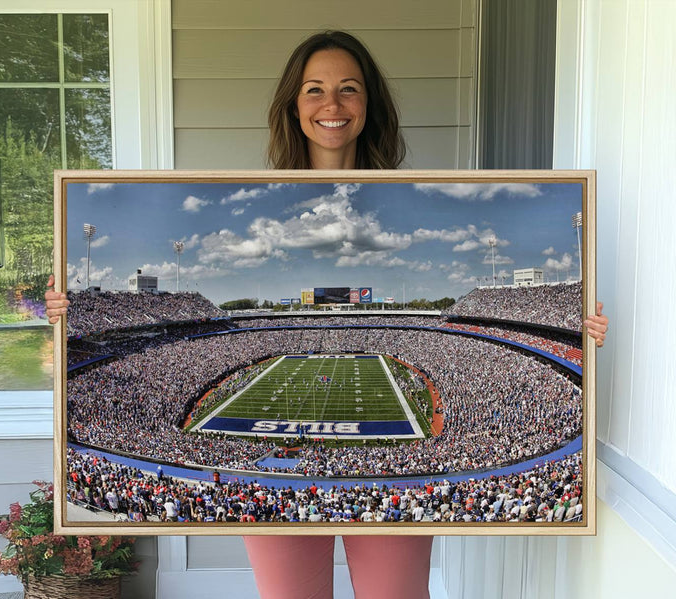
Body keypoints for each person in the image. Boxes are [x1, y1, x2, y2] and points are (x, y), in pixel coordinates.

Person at [46, 30, 609, 599]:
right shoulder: (256, 191)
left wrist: (578, 326)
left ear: (370, 105)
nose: (332, 105)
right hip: (280, 495)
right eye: (314, 89)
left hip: (383, 494)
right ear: (294, 104)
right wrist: (68, 313)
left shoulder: (414, 189)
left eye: (349, 89)